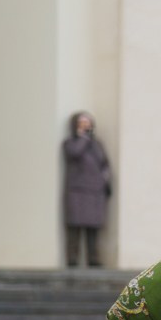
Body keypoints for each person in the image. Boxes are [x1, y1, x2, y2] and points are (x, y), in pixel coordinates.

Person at [62, 112, 113, 268]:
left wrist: (105, 180)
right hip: (77, 191)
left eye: (88, 122)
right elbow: (74, 153)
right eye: (82, 122)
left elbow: (103, 162)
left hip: (95, 191)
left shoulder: (97, 144)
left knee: (93, 228)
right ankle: (72, 259)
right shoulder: (70, 143)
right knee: (75, 227)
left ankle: (93, 259)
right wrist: (83, 138)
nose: (86, 125)